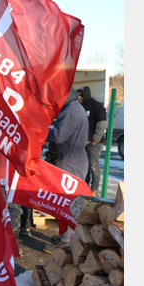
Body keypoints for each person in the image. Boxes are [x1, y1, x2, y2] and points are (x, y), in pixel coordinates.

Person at [45, 89, 89, 246]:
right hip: (75, 158)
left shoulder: (70, 111)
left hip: (71, 160)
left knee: (67, 199)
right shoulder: (76, 108)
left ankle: (67, 240)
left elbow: (58, 136)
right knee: (67, 199)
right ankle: (66, 235)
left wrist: (40, 131)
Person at [77, 86, 108, 196]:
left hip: (94, 143)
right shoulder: (79, 106)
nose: (79, 97)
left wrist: (95, 139)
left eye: (81, 95)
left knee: (93, 166)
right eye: (78, 95)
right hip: (82, 142)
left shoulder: (96, 106)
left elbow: (102, 123)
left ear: (86, 95)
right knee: (84, 166)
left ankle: (94, 190)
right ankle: (84, 187)